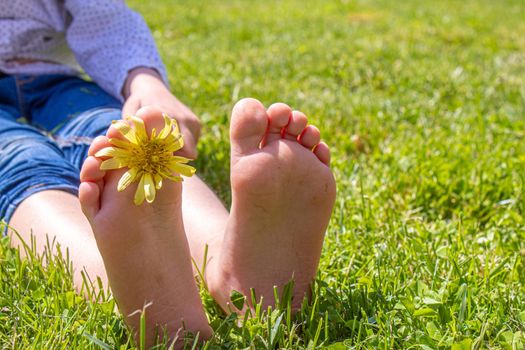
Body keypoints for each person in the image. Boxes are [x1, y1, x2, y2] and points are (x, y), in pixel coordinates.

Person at [0, 0, 336, 347]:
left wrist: (144, 82)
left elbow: (103, 16)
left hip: (53, 78)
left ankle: (228, 266)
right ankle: (140, 284)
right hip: (53, 82)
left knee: (130, 143)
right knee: (28, 164)